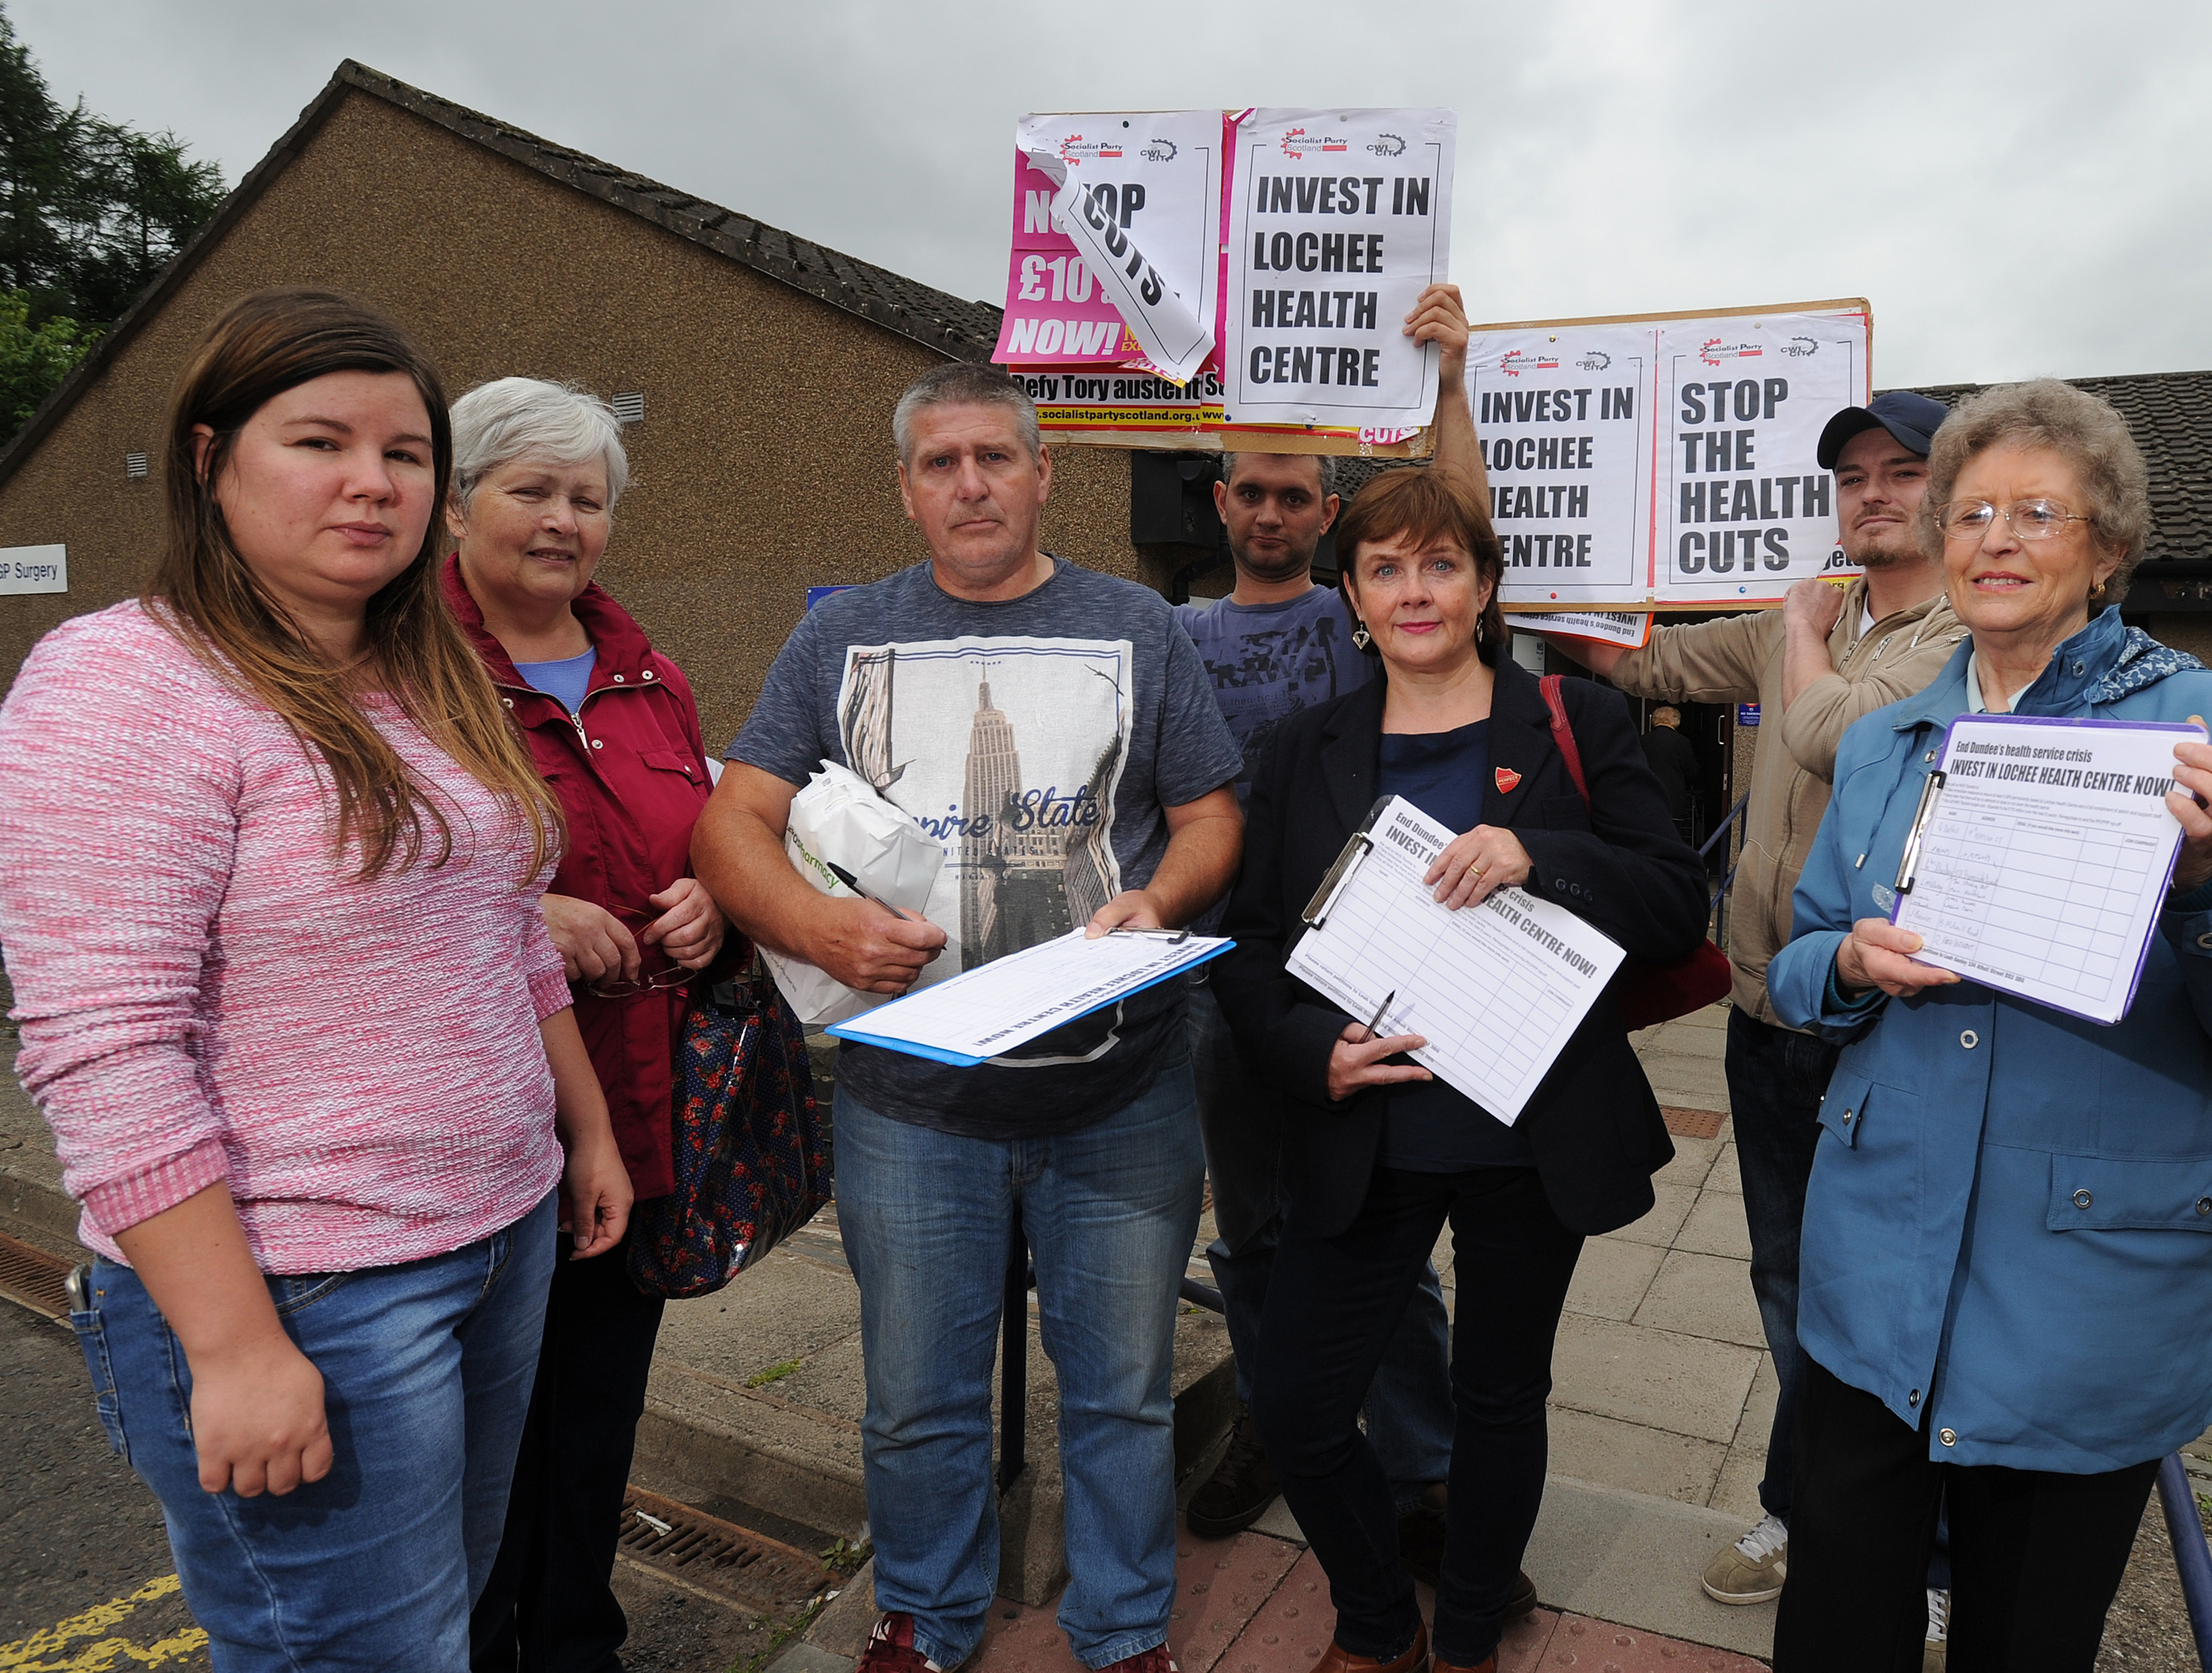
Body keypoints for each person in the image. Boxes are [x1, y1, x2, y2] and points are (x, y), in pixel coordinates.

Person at [0, 289, 633, 1671]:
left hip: (497, 1239)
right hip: (310, 1284)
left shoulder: (423, 670)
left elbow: (504, 926)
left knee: (440, 1630)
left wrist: (583, 1130)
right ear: (211, 460)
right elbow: (106, 1048)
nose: (371, 483)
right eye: (320, 441)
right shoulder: (122, 686)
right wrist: (232, 1348)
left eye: (405, 455)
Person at [1766, 379, 2212, 1671]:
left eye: (2038, 512)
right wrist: (1848, 963)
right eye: (1971, 512)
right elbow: (1799, 958)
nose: (1995, 539)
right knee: (1832, 1636)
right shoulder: (1887, 745)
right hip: (1871, 1279)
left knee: (2025, 1649)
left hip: (2080, 1304)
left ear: (2107, 550)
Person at [696, 362, 1245, 1673]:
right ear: (905, 487)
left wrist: (1162, 896)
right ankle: (926, 1616)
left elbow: (1213, 810)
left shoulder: (1135, 627)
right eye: (940, 463)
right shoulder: (841, 635)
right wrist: (810, 925)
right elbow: (734, 817)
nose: (970, 483)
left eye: (995, 457)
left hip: (1118, 1091)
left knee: (1119, 1396)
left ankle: (1121, 1631)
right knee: (914, 1402)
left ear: (1043, 473)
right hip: (911, 1105)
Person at [1219, 465, 1709, 1673]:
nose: (1414, 590)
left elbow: (1672, 900)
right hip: (1363, 1132)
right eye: (1384, 568)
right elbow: (1248, 945)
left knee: (1499, 1401)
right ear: (1352, 596)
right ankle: (1376, 1624)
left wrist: (1534, 853)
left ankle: (1471, 1634)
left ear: (1485, 588)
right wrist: (1305, 1054)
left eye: (1440, 565)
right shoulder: (1300, 748)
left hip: (1525, 1138)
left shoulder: (1574, 724)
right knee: (1292, 1402)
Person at [1568, 390, 1967, 1611]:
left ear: (1951, 493)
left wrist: (1791, 629)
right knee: (1788, 1282)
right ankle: (1800, 1512)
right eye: (1851, 476)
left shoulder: (1972, 635)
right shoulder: (1805, 616)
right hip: (1765, 1016)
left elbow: (1832, 742)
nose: (1872, 494)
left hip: (1887, 1021)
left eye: (1900, 471)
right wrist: (1558, 568)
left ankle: (1933, 1558)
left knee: (1903, 1299)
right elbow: (1638, 660)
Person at [1177, 287, 1473, 1586]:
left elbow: (1459, 525)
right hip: (1225, 972)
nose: (1272, 512)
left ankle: (1421, 1468)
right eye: (1253, 490)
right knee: (1249, 1234)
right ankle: (1273, 1424)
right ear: (1224, 499)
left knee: (1378, 1234)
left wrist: (1449, 382)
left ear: (1326, 514)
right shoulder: (1174, 631)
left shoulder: (1365, 620)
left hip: (1368, 959)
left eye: (1297, 495)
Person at [443, 377, 732, 1673]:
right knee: (478, 1435)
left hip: (641, 1106)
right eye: (531, 490)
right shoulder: (407, 671)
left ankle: (575, 1645)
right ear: (454, 506)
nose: (562, 521)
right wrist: (523, 913)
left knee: (596, 1414)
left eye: (588, 498)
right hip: (488, 1117)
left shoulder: (648, 673)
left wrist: (709, 898)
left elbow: (707, 826)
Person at [1640, 705, 1699, 841]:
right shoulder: (1681, 742)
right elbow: (1692, 770)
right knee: (1671, 839)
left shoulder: (1643, 741)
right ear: (1675, 721)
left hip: (1647, 797)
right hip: (1672, 800)